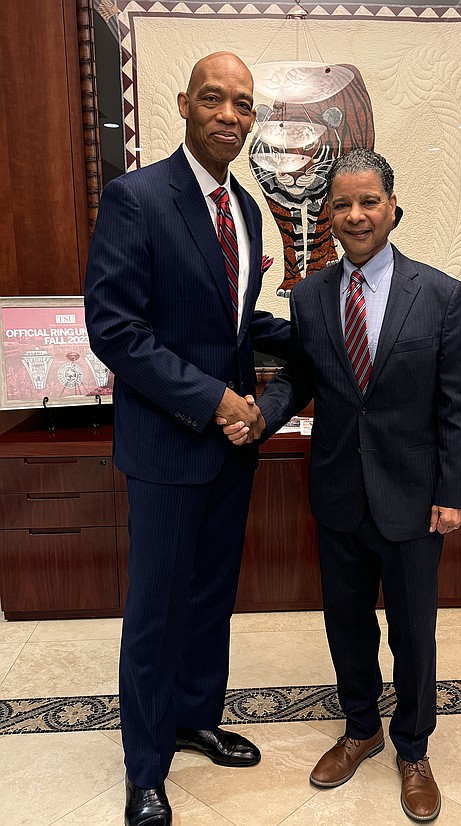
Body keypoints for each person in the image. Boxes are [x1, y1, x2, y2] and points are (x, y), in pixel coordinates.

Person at [220, 149, 461, 822]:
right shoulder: (309, 296)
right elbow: (301, 380)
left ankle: (413, 747)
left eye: (369, 202)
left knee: (415, 633)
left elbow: (456, 407)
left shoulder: (441, 294)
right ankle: (361, 728)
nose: (356, 215)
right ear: (327, 216)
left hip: (415, 498)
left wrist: (454, 493)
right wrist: (259, 420)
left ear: (393, 208)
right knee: (347, 627)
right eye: (342, 204)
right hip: (337, 492)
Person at [84, 52, 289, 826]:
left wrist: (305, 341)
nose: (230, 115)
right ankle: (145, 765)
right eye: (214, 99)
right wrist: (214, 402)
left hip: (231, 450)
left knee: (211, 600)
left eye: (243, 104)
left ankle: (196, 715)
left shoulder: (247, 206)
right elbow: (117, 330)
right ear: (183, 104)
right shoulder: (137, 198)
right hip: (169, 446)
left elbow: (229, 321)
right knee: (156, 612)